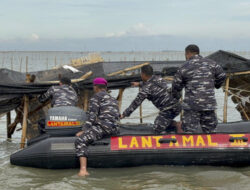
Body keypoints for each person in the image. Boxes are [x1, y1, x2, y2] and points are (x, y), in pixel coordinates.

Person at [172, 44, 226, 133]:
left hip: (191, 106)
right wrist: (216, 85)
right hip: (209, 105)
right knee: (211, 133)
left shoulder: (184, 67)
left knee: (189, 134)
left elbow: (176, 86)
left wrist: (176, 96)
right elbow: (222, 76)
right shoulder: (212, 64)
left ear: (187, 54)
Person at [75, 78, 120, 176]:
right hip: (115, 129)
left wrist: (84, 130)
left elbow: (91, 116)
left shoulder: (96, 97)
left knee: (80, 140)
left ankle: (83, 170)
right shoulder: (113, 99)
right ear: (105, 87)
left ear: (95, 87)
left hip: (104, 128)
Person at [121, 65, 181, 134]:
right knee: (161, 121)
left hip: (168, 110)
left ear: (143, 74)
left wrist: (124, 114)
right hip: (177, 106)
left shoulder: (146, 89)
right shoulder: (159, 78)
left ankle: (176, 126)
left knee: (156, 128)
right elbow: (151, 83)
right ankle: (173, 125)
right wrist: (139, 84)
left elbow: (135, 103)